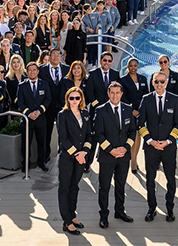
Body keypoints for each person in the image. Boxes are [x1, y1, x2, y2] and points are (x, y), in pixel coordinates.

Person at [138, 70, 178, 222]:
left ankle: (170, 209)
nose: (159, 84)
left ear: (166, 83)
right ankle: (152, 208)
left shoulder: (174, 99)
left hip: (168, 148)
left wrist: (168, 141)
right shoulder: (146, 99)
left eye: (162, 81)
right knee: (150, 180)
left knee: (171, 180)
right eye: (156, 81)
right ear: (152, 83)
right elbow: (140, 123)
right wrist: (150, 140)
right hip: (151, 147)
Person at [93, 82, 136, 228]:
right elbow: (98, 134)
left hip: (123, 155)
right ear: (108, 94)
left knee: (120, 185)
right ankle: (103, 216)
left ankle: (120, 211)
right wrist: (111, 150)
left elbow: (132, 131)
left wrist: (126, 148)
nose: (115, 95)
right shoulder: (100, 110)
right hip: (107, 156)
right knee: (104, 187)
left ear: (121, 94)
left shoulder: (128, 109)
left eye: (117, 92)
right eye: (112, 93)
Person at [57, 86, 92, 235]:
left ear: (81, 99)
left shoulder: (85, 113)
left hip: (81, 157)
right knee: (64, 188)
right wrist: (77, 154)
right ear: (67, 99)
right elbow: (63, 138)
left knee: (74, 187)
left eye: (77, 97)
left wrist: (84, 152)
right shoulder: (62, 114)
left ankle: (72, 215)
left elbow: (89, 135)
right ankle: (67, 221)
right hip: (68, 158)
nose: (74, 100)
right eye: (71, 98)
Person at [17, 61, 50, 172]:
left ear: (38, 71)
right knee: (26, 144)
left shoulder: (44, 84)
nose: (32, 72)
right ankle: (26, 163)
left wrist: (39, 111)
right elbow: (20, 102)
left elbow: (48, 99)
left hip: (41, 119)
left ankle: (42, 162)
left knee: (42, 142)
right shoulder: (22, 85)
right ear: (26, 72)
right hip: (27, 120)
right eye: (30, 70)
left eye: (34, 70)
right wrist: (29, 113)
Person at [119, 58, 150, 174]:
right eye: (131, 65)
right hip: (129, 112)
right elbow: (122, 97)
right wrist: (132, 110)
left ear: (138, 66)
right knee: (130, 134)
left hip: (141, 112)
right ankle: (128, 158)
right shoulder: (123, 80)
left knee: (138, 134)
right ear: (127, 66)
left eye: (135, 66)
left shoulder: (143, 78)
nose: (133, 68)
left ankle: (134, 159)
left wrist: (143, 110)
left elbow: (146, 95)